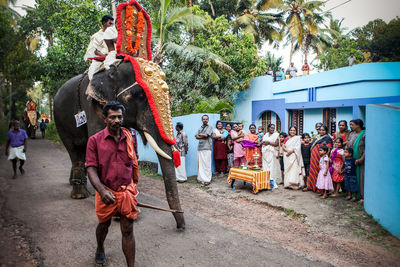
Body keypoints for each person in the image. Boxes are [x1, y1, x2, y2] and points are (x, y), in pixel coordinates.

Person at [86, 101, 139, 267]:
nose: (117, 120)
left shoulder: (129, 138)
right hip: (106, 191)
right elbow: (91, 169)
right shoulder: (94, 141)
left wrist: (133, 189)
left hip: (126, 192)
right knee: (104, 224)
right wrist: (101, 191)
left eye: (119, 117)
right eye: (112, 117)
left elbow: (133, 163)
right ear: (105, 119)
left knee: (128, 229)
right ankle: (100, 248)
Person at [84, 15, 114, 80]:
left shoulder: (114, 34)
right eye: (110, 23)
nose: (111, 25)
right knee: (92, 74)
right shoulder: (96, 36)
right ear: (104, 23)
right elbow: (95, 51)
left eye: (112, 23)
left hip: (113, 57)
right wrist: (105, 56)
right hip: (100, 60)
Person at [306, 125, 333, 192]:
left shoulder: (327, 138)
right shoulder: (316, 137)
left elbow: (328, 149)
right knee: (312, 170)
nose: (321, 131)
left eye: (323, 130)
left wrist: (324, 155)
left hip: (320, 157)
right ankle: (311, 186)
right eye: (320, 130)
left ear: (326, 131)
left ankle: (320, 188)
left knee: (319, 171)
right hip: (313, 157)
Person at [347, 119, 365, 200]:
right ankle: (352, 194)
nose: (350, 126)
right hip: (350, 160)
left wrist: (361, 159)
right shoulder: (351, 134)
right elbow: (348, 146)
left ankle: (361, 195)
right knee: (351, 177)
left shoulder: (364, 134)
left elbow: (366, 149)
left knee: (360, 177)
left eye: (352, 124)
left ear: (358, 125)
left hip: (360, 160)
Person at [195, 115, 213, 185]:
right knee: (201, 164)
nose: (205, 120)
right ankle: (201, 178)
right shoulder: (200, 128)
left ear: (208, 120)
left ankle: (207, 179)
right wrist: (202, 135)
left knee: (207, 164)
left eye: (206, 119)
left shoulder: (210, 127)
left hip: (207, 147)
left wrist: (200, 135)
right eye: (204, 119)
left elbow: (206, 135)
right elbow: (196, 136)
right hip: (200, 148)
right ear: (202, 120)